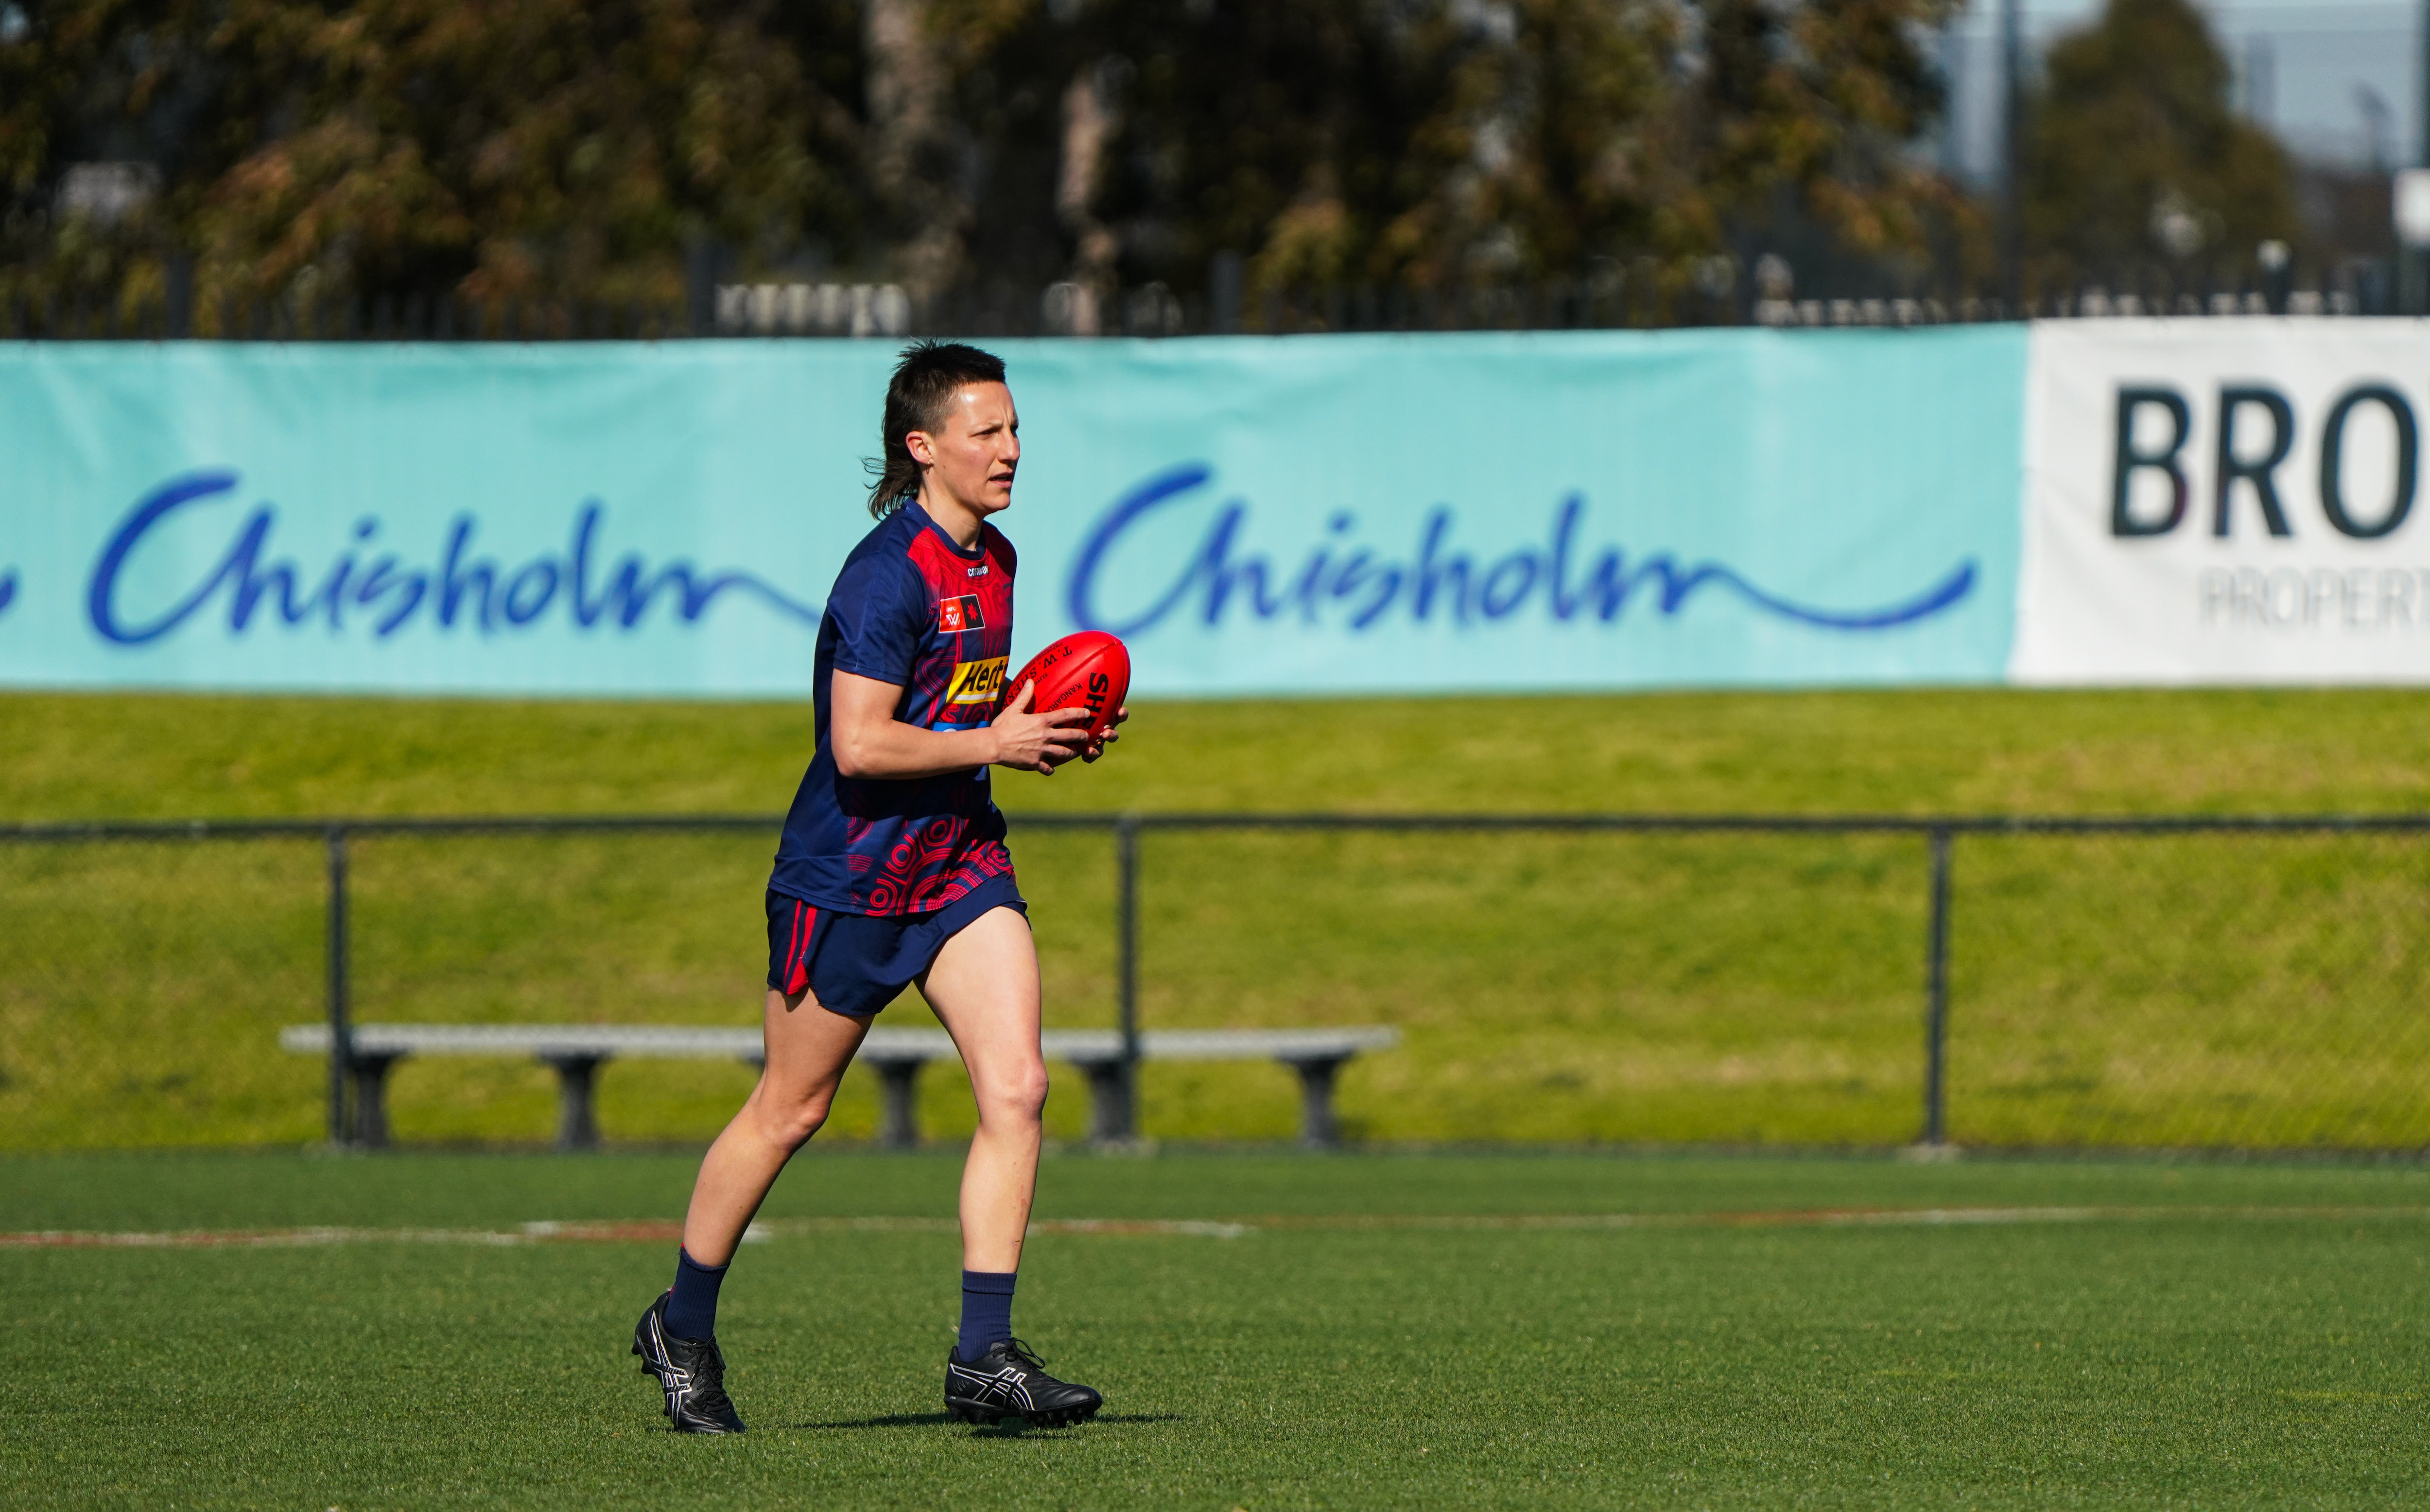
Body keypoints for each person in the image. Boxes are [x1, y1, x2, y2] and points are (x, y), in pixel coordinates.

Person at [632, 340, 1122, 1434]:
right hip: (850, 878)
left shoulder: (993, 559)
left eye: (1013, 427)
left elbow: (965, 713)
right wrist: (995, 734)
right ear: (924, 446)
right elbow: (858, 746)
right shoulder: (884, 574)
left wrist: (1051, 725)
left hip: (957, 863)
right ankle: (684, 1324)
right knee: (790, 1109)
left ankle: (982, 1353)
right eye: (985, 430)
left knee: (1020, 1087)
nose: (1010, 449)